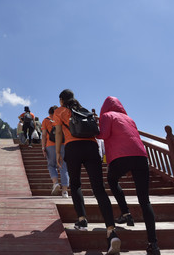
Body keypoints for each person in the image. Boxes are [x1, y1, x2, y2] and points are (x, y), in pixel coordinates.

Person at [54, 89, 121, 254]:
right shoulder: (83, 110)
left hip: (73, 148)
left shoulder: (59, 111)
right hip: (91, 148)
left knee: (75, 184)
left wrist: (57, 153)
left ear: (62, 100)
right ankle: (111, 232)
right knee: (99, 188)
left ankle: (82, 220)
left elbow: (58, 133)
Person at [98, 96, 160, 255]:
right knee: (144, 200)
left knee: (112, 180)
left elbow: (103, 135)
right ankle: (153, 244)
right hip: (141, 156)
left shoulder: (107, 116)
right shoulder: (129, 118)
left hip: (120, 157)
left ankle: (125, 212)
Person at [41, 105, 69, 198]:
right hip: (62, 144)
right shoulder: (62, 119)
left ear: (49, 113)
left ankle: (55, 182)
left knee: (51, 165)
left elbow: (44, 135)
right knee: (63, 166)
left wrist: (43, 147)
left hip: (50, 145)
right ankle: (65, 192)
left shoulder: (46, 120)